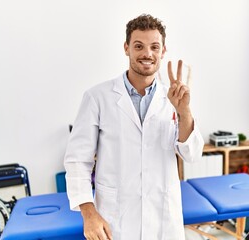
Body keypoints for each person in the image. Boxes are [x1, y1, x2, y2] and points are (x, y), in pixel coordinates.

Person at [64, 14, 204, 240]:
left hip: (163, 220)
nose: (147, 54)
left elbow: (192, 154)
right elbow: (77, 160)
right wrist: (88, 214)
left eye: (154, 47)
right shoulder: (97, 97)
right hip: (115, 220)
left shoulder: (174, 97)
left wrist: (184, 111)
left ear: (163, 51)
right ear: (126, 48)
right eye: (139, 46)